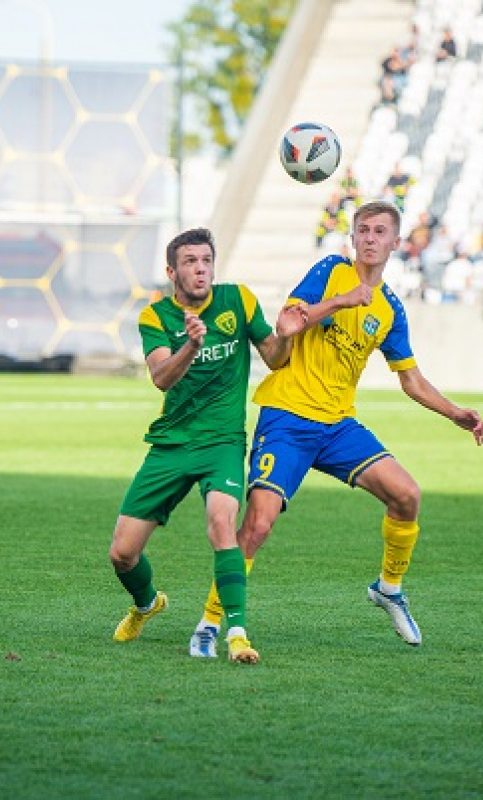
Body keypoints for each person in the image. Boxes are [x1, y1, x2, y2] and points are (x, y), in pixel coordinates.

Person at [188, 200, 483, 656]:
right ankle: (210, 624)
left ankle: (388, 588)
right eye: (363, 230)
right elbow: (288, 321)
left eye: (379, 231)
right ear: (353, 239)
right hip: (287, 417)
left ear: (395, 243)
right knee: (259, 524)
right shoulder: (330, 271)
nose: (370, 238)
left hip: (336, 425)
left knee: (406, 495)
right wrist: (343, 301)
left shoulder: (389, 310)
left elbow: (411, 379)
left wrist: (454, 413)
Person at [108, 227, 307, 664]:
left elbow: (274, 357)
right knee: (122, 553)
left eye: (206, 261)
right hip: (172, 444)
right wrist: (192, 345)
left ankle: (236, 633)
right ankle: (147, 605)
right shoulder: (155, 316)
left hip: (222, 441)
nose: (200, 269)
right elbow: (161, 377)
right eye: (190, 262)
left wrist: (288, 335)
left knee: (222, 522)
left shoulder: (239, 300)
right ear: (171, 271)